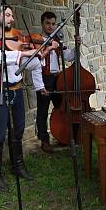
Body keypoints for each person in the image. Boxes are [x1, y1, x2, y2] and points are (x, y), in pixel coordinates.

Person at [0, 3, 40, 190]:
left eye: (12, 16)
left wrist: (37, 54)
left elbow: (25, 65)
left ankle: (17, 166)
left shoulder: (14, 38)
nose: (12, 19)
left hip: (17, 88)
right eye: (9, 15)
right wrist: (21, 52)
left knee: (18, 130)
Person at [31, 11, 78, 153]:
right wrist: (40, 86)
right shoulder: (37, 40)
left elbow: (68, 56)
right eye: (48, 23)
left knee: (61, 108)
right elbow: (35, 65)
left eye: (53, 24)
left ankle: (63, 135)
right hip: (44, 79)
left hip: (58, 79)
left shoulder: (57, 40)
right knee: (43, 111)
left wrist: (77, 46)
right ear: (42, 23)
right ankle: (44, 140)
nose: (51, 26)